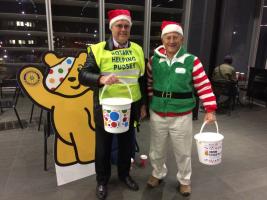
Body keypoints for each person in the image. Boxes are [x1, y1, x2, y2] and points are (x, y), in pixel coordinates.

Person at [78, 9, 146, 200]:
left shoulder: (138, 50)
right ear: (112, 28)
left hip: (130, 107)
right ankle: (102, 181)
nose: (123, 29)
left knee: (127, 145)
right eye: (119, 25)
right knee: (103, 147)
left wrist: (142, 105)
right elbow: (82, 76)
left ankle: (124, 175)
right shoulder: (97, 49)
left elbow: (140, 79)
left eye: (126, 26)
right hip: (106, 109)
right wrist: (100, 79)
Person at [146, 21, 217, 196]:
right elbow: (149, 83)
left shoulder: (191, 61)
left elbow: (203, 85)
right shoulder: (153, 60)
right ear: (162, 39)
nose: (171, 41)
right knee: (156, 149)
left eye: (175, 37)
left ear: (181, 39)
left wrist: (210, 109)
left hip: (182, 115)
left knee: (183, 151)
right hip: (158, 114)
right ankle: (157, 173)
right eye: (168, 37)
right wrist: (149, 104)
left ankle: (184, 180)